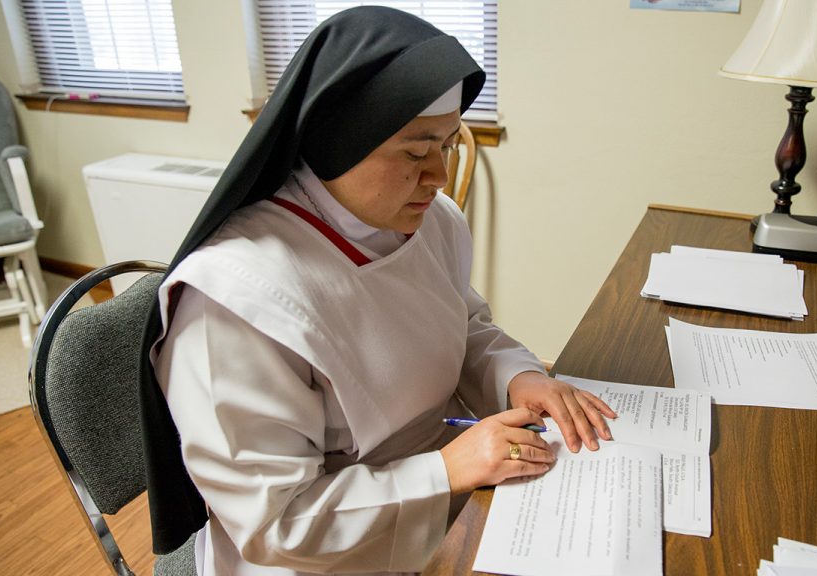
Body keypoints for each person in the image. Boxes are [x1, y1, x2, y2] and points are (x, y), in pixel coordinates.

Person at [138, 6, 616, 575]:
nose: (438, 176)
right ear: (339, 142)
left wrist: (517, 375)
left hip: (449, 492)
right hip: (322, 553)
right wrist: (446, 471)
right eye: (416, 153)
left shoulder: (430, 219)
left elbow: (462, 324)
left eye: (448, 144)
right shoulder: (235, 301)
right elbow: (275, 525)